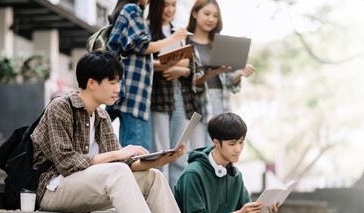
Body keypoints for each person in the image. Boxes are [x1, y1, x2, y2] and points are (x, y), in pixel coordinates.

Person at [31, 50, 188, 213]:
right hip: (53, 189)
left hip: (85, 187)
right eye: (112, 83)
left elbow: (125, 164)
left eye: (118, 83)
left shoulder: (102, 115)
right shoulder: (61, 107)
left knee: (154, 177)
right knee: (117, 170)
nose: (117, 89)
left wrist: (160, 161)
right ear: (91, 83)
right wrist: (118, 154)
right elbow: (66, 163)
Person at [174, 112, 293, 213]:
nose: (238, 149)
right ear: (216, 143)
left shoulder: (234, 174)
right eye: (232, 144)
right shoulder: (193, 174)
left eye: (241, 142)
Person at [106, 0, 188, 151]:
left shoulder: (132, 10)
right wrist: (173, 39)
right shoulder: (132, 9)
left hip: (132, 93)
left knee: (134, 149)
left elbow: (136, 56)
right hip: (134, 94)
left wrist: (169, 64)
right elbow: (142, 46)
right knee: (138, 151)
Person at [187, 0, 256, 148]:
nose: (211, 19)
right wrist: (210, 74)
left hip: (221, 101)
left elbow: (228, 80)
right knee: (200, 151)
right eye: (207, 14)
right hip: (198, 105)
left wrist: (239, 74)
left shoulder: (219, 43)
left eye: (215, 15)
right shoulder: (186, 43)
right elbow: (188, 81)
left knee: (220, 149)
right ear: (194, 13)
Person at [147, 0, 200, 190]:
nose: (170, 9)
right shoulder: (146, 30)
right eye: (166, 4)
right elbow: (142, 60)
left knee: (180, 153)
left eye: (174, 5)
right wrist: (168, 65)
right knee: (160, 153)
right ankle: (160, 202)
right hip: (158, 97)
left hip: (181, 96)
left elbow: (193, 64)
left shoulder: (179, 31)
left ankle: (177, 205)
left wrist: (181, 70)